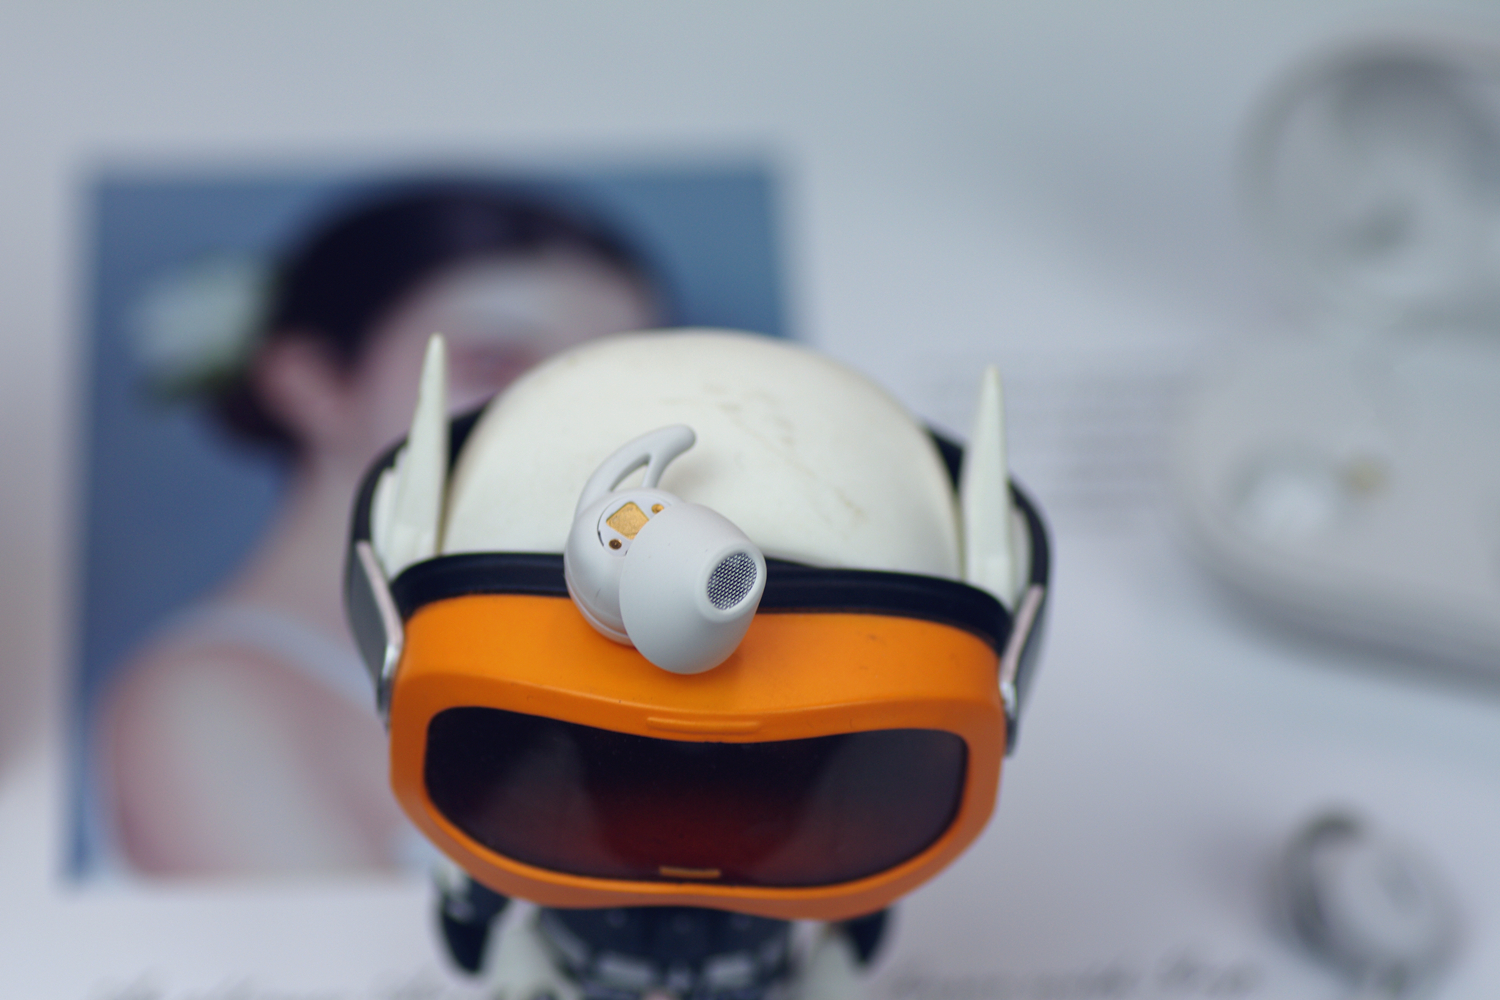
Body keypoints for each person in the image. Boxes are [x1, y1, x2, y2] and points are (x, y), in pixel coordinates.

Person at [97, 184, 667, 878]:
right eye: (493, 364)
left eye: (610, 379)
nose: (571, 420)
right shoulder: (204, 706)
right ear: (311, 382)